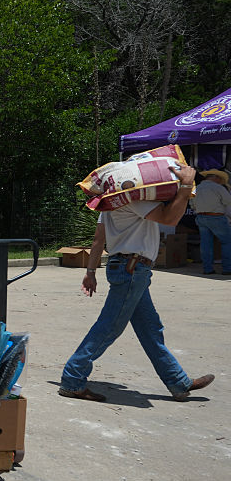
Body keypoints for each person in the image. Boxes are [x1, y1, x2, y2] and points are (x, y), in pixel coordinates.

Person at [60, 163, 214, 403]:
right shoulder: (134, 199)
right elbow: (171, 219)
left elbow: (99, 239)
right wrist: (185, 186)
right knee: (109, 327)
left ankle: (178, 382)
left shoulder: (109, 202)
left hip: (128, 268)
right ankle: (73, 378)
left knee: (151, 330)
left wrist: (91, 271)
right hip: (132, 269)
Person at [191, 169, 231, 275]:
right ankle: (227, 269)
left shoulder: (197, 188)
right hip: (216, 217)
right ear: (216, 178)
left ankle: (207, 268)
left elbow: (192, 204)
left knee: (206, 244)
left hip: (201, 217)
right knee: (227, 242)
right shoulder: (218, 187)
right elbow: (228, 201)